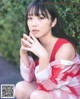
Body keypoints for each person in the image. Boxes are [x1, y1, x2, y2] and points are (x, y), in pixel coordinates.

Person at [14, 0, 80, 99]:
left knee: (37, 96)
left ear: (53, 22)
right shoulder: (36, 44)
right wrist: (23, 54)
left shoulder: (65, 48)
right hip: (46, 87)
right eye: (30, 18)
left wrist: (44, 57)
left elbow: (48, 86)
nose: (33, 24)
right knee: (19, 88)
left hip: (70, 91)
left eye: (41, 18)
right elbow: (28, 79)